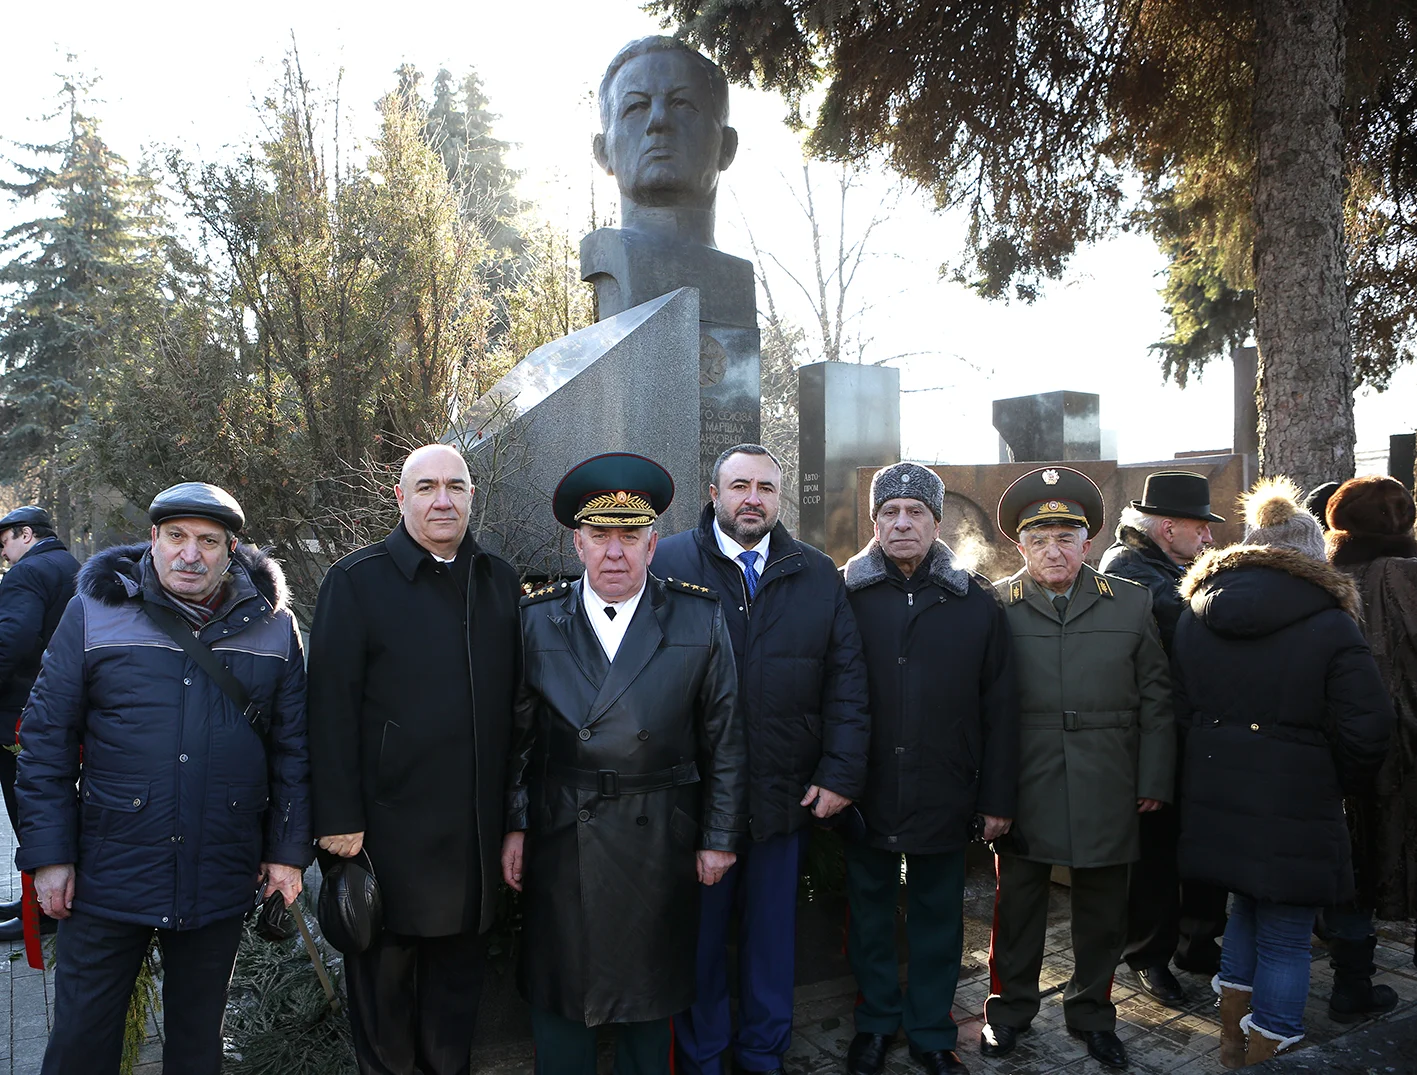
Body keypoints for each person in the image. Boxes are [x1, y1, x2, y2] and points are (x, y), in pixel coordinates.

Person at [16, 482, 311, 1075]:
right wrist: (48, 856)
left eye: (208, 541)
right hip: (107, 873)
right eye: (176, 537)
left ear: (232, 550)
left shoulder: (275, 629)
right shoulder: (94, 611)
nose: (190, 554)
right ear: (152, 540)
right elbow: (45, 737)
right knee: (78, 1044)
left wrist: (287, 853)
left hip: (220, 870)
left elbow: (295, 750)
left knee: (197, 1047)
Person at [503, 452, 747, 1075]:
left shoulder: (697, 615)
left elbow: (724, 737)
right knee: (562, 995)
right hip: (563, 837)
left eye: (630, 537)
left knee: (650, 997)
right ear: (577, 544)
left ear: (653, 544)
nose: (616, 553)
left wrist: (719, 837)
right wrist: (515, 826)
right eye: (600, 537)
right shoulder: (535, 619)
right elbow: (518, 742)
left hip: (659, 835)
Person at [652, 443, 870, 1075]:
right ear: (714, 494)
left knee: (772, 941)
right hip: (696, 800)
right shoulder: (667, 563)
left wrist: (839, 773)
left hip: (784, 794)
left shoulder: (815, 572)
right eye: (739, 486)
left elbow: (847, 680)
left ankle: (763, 1054)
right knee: (700, 944)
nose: (753, 498)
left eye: (766, 488)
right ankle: (704, 1056)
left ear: (779, 498)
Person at [307, 443, 522, 1075]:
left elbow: (516, 709)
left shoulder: (498, 580)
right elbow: (328, 711)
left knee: (453, 1018)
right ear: (400, 498)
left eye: (456, 487)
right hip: (384, 841)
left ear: (472, 497)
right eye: (426, 488)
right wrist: (337, 818)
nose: (442, 500)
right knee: (386, 1023)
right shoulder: (356, 582)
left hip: (471, 846)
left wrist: (513, 818)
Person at [1172, 477, 1393, 1065]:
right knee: (1288, 934)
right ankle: (1267, 1057)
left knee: (1245, 909)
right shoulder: (1330, 621)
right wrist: (1331, 780)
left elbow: (1180, 709)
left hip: (1219, 794)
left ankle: (1230, 1046)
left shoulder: (1196, 614)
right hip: (1298, 800)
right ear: (1310, 556)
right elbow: (1368, 730)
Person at [982, 467, 1173, 1071]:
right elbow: (977, 703)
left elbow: (1157, 699)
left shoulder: (1133, 602)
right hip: (1025, 775)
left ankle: (1092, 1015)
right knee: (1018, 906)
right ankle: (1008, 1012)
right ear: (1020, 544)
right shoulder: (994, 607)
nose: (1053, 549)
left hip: (1108, 774)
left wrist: (1153, 779)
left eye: (1066, 536)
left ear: (1087, 542)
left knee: (1102, 908)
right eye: (1039, 539)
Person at [840, 463, 1018, 1075]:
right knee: (870, 916)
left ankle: (931, 1030)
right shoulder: (846, 596)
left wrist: (996, 797)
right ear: (875, 523)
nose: (902, 522)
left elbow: (1000, 707)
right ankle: (875, 1023)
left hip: (947, 788)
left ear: (937, 521)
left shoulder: (975, 603)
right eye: (889, 512)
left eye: (915, 511)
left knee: (940, 919)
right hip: (865, 790)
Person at [1097, 472, 1229, 1005]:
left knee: (1200, 844)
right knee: (1153, 855)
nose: (1211, 540)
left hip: (1192, 732)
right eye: (1202, 528)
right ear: (1168, 527)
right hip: (1151, 737)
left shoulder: (1172, 562)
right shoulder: (1127, 568)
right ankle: (1149, 956)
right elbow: (1186, 619)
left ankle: (1198, 942)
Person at [1322, 475, 1416, 1020]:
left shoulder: (1325, 578)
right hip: (1402, 750)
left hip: (1335, 750)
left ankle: (1350, 982)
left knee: (1349, 866)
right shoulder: (1405, 575)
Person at [0, 505, 79, 940]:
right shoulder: (69, 565)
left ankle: (43, 913)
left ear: (26, 534)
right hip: (58, 706)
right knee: (51, 806)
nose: (5, 554)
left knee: (26, 807)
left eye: (5, 543)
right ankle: (37, 897)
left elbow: (10, 640)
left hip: (20, 714)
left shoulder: (27, 573)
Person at [594, 35, 738, 247]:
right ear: (603, 152)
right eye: (636, 106)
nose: (659, 120)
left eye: (681, 103)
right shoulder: (606, 258)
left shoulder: (734, 277)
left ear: (727, 147)